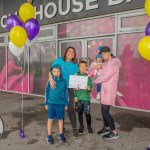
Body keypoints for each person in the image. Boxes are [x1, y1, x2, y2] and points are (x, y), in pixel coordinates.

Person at [49, 46, 79, 138]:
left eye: (73, 52)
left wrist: (76, 85)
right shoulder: (59, 60)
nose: (71, 53)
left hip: (69, 87)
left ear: (74, 55)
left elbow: (75, 76)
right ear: (66, 52)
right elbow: (50, 71)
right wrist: (51, 79)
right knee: (60, 108)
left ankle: (74, 128)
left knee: (70, 108)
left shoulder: (75, 63)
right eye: (69, 51)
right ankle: (62, 128)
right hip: (58, 87)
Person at [94, 46, 121, 140]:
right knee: (103, 111)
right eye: (102, 53)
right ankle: (106, 128)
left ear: (110, 52)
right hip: (105, 89)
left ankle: (114, 132)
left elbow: (105, 77)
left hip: (109, 90)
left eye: (105, 53)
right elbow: (103, 72)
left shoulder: (113, 63)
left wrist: (94, 81)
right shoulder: (107, 62)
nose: (103, 55)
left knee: (105, 111)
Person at [45, 64, 68, 144]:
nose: (56, 73)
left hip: (60, 104)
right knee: (50, 119)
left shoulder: (64, 81)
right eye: (54, 71)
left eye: (58, 71)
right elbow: (47, 91)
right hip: (51, 104)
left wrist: (66, 104)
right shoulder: (50, 81)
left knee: (60, 119)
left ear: (61, 72)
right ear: (52, 72)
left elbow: (66, 93)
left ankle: (61, 134)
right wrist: (46, 103)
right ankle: (49, 135)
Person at [74, 60, 93, 134]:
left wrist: (89, 88)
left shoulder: (88, 77)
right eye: (81, 66)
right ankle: (81, 127)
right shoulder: (76, 76)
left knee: (87, 114)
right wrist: (75, 96)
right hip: (78, 99)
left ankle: (89, 127)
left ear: (86, 68)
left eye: (84, 66)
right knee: (80, 113)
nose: (82, 68)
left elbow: (91, 87)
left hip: (86, 99)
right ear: (78, 67)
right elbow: (73, 87)